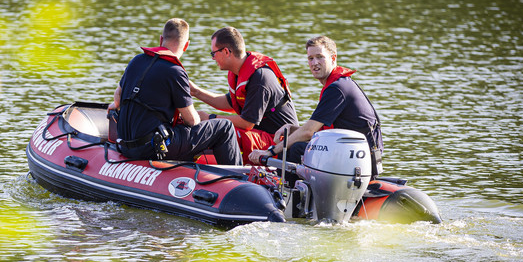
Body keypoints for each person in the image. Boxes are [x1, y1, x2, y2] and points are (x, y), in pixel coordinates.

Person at [109, 19, 242, 165]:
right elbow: (191, 121)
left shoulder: (136, 60)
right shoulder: (175, 71)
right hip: (151, 148)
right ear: (186, 45)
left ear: (161, 40)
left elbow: (118, 97)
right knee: (225, 127)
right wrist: (202, 120)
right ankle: (237, 179)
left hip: (125, 146)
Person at [249, 35, 383, 178]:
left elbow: (308, 132)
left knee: (293, 149)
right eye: (310, 58)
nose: (314, 63)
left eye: (320, 57)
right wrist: (292, 128)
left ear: (333, 58)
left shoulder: (337, 89)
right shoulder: (337, 84)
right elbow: (321, 133)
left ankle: (285, 196)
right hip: (349, 155)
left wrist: (270, 152)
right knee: (291, 144)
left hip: (360, 164)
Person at [189, 26, 299, 160]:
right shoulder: (239, 71)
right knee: (219, 127)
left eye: (213, 54)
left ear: (226, 51)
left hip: (278, 142)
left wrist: (209, 118)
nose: (213, 58)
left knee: (223, 129)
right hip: (261, 134)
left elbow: (247, 123)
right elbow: (229, 102)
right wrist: (196, 92)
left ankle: (231, 177)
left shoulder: (259, 78)